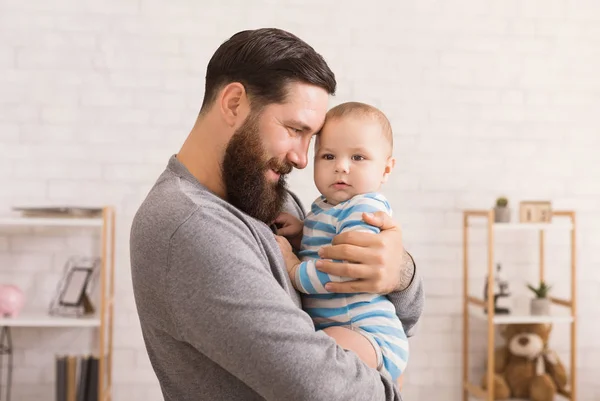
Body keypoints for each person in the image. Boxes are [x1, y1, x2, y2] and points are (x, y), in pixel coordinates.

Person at [130, 28, 424, 401]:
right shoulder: (190, 226)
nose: (303, 159)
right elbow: (323, 388)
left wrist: (399, 272)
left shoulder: (272, 199)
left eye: (310, 139)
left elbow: (405, 318)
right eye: (293, 129)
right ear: (235, 103)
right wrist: (390, 389)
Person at [275, 101, 408, 388]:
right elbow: (326, 245)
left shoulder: (365, 207)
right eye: (328, 156)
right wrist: (301, 234)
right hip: (346, 329)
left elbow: (344, 268)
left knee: (309, 362)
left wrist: (293, 266)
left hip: (369, 334)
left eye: (358, 157)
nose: (341, 167)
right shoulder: (325, 207)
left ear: (386, 169)